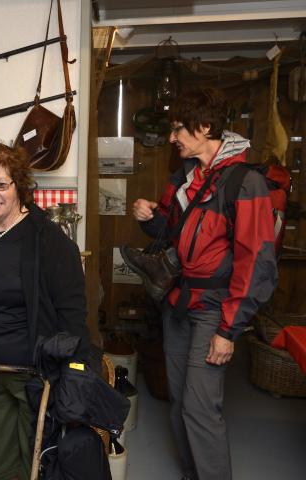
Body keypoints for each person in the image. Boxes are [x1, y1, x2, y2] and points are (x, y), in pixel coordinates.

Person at [124, 87, 278, 480]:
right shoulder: (184, 178)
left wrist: (229, 330)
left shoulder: (245, 183)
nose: (172, 137)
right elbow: (174, 235)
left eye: (178, 128)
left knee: (199, 405)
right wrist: (149, 218)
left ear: (205, 127)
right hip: (180, 303)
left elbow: (256, 263)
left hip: (215, 309)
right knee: (178, 400)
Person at [0, 140, 91, 480]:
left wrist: (76, 378)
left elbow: (72, 315)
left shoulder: (48, 241)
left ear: (19, 186)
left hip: (34, 377)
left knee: (36, 466)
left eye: (0, 184)